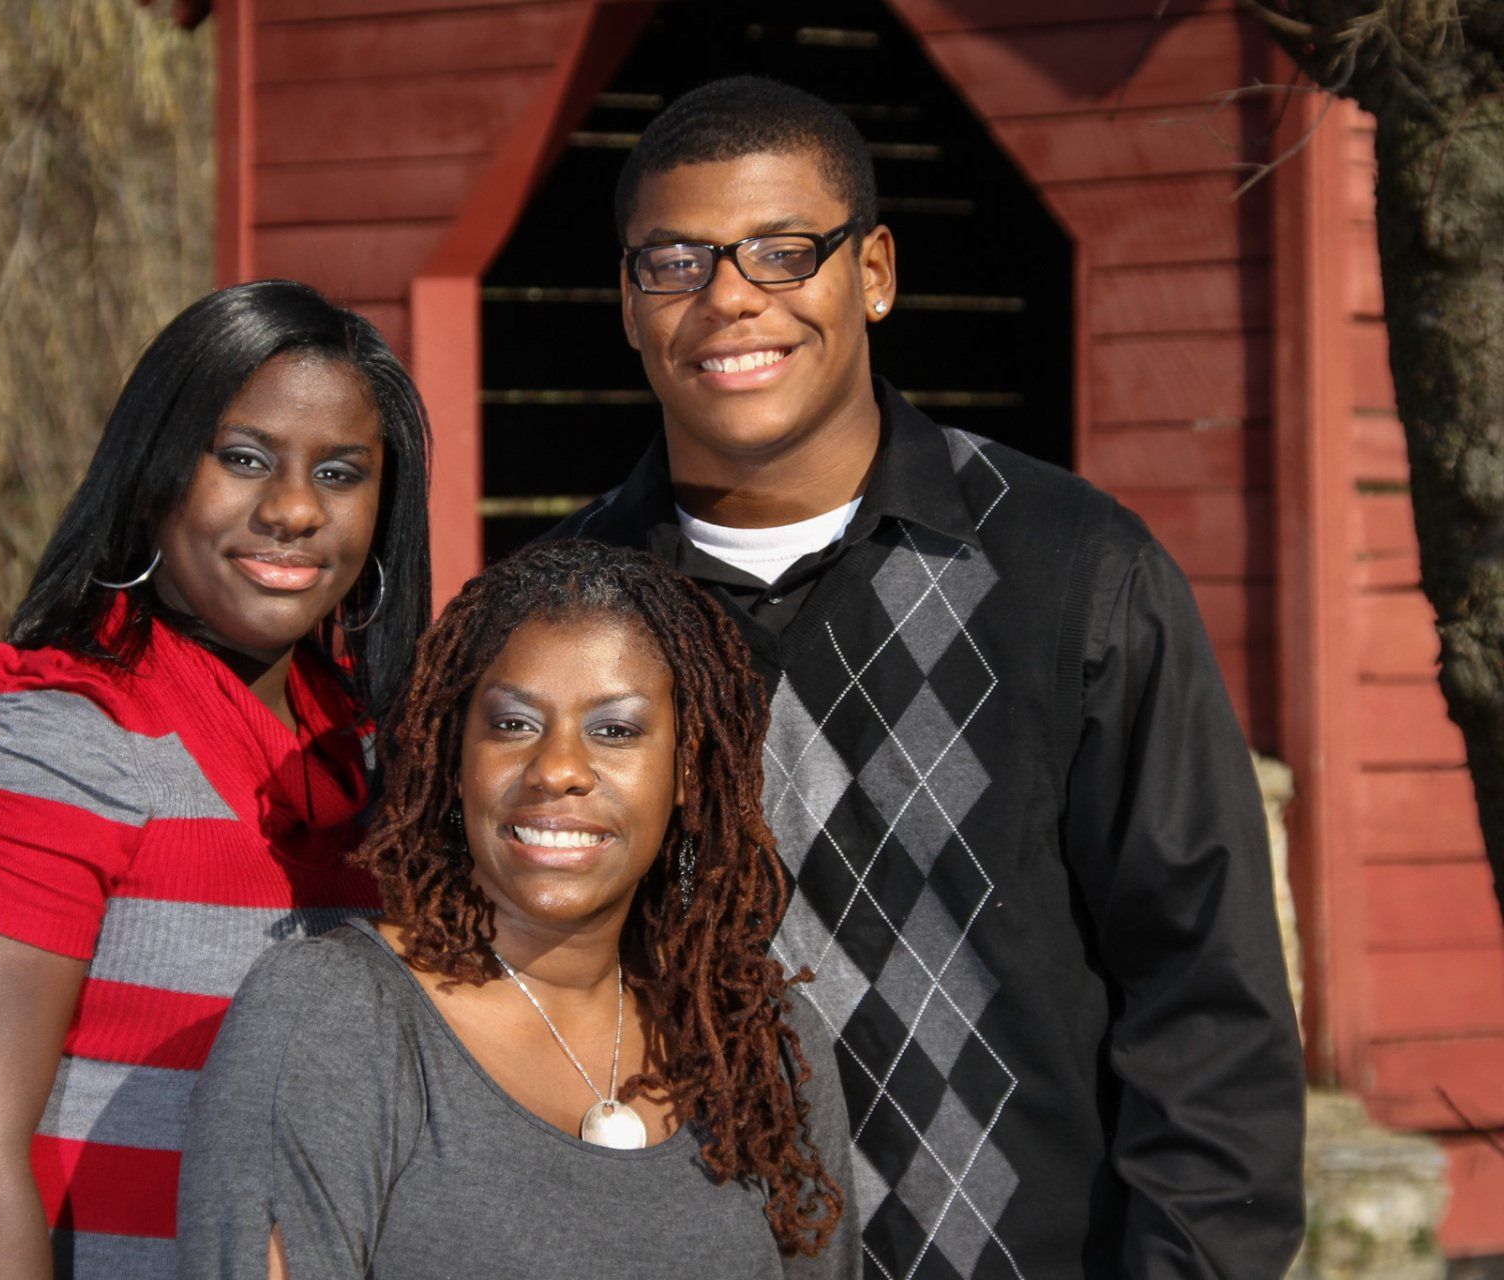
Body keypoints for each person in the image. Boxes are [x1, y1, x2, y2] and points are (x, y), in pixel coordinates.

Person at [553, 76, 1306, 1275]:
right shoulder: (559, 615)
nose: (731, 296)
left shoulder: (1074, 577)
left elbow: (1205, 1003)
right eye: (677, 261)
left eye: (783, 251)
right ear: (631, 304)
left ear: (876, 272)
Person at [0, 279, 432, 1279]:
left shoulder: (376, 752)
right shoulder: (49, 736)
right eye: (244, 457)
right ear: (154, 470)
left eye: (342, 471)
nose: (295, 508)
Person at [176, 540, 862, 1279]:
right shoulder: (333, 1015)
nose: (557, 769)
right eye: (512, 724)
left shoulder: (762, 1045)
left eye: (615, 730)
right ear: (455, 758)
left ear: (686, 770)